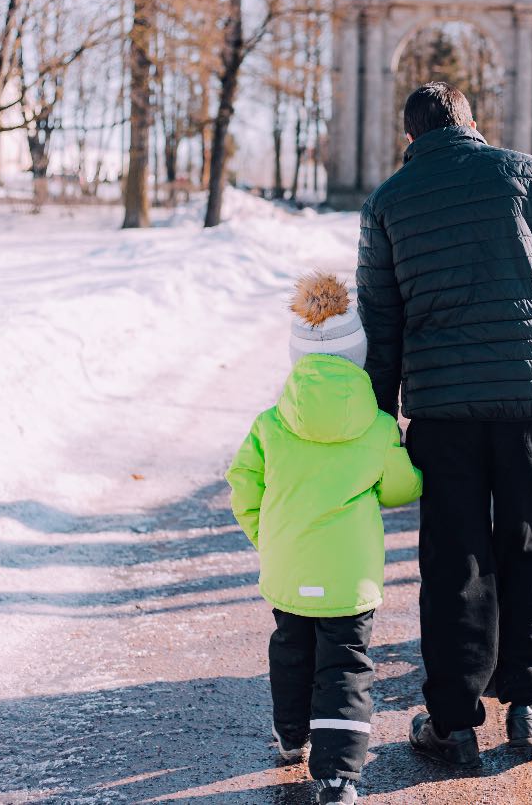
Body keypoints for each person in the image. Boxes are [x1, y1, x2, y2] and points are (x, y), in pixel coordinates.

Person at [356, 81, 532, 767]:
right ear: (472, 124)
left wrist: (381, 417)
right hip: (531, 402)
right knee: (530, 544)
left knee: (454, 559)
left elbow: (380, 321)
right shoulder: (529, 175)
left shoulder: (387, 202)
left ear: (410, 139)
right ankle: (531, 705)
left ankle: (452, 722)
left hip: (443, 412)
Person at [226, 272, 423, 804]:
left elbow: (243, 484)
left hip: (289, 565)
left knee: (291, 651)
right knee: (346, 665)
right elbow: (401, 488)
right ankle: (338, 777)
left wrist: (267, 538)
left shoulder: (270, 424)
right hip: (349, 575)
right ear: (358, 356)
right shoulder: (377, 426)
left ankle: (291, 738)